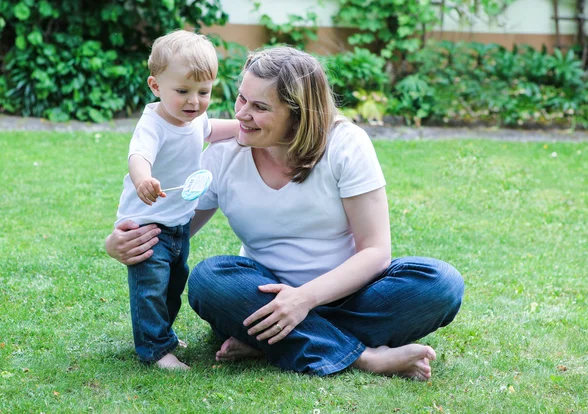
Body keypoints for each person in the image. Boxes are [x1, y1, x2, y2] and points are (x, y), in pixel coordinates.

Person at [106, 46, 464, 379]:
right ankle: (363, 357)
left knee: (441, 283)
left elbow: (375, 252)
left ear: (298, 114)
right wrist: (119, 243)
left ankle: (275, 341)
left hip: (348, 292)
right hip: (259, 295)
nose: (242, 114)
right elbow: (175, 226)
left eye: (260, 107)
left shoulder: (346, 144)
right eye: (241, 98)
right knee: (209, 280)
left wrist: (303, 299)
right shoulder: (222, 154)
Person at [115, 30, 238, 369]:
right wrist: (144, 180)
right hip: (147, 224)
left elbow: (212, 130)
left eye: (204, 92)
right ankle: (154, 349)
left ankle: (162, 334)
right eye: (182, 91)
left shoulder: (195, 119)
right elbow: (139, 156)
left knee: (173, 283)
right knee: (150, 288)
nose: (194, 102)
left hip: (178, 222)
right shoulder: (153, 123)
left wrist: (244, 128)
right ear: (156, 86)